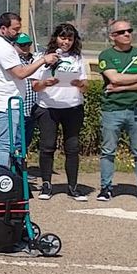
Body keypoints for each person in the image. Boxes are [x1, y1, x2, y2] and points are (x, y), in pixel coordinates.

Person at [0, 13, 58, 166]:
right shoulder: (2, 47)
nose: (18, 32)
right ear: (3, 29)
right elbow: (21, 73)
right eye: (15, 29)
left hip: (0, 102)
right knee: (4, 145)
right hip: (5, 104)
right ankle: (1, 181)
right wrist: (43, 60)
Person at [97, 19, 137, 204]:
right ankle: (106, 188)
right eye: (121, 32)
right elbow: (114, 77)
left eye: (129, 31)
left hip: (136, 109)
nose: (127, 34)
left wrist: (122, 86)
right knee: (108, 151)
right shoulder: (105, 55)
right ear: (112, 36)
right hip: (112, 110)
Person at [31, 24, 88, 201]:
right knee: (47, 147)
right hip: (48, 107)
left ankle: (73, 187)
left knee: (72, 148)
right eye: (63, 38)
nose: (66, 42)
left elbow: (86, 85)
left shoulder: (78, 58)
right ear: (56, 38)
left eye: (70, 39)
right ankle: (47, 185)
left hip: (72, 107)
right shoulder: (43, 57)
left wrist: (79, 84)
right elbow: (35, 85)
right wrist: (46, 84)